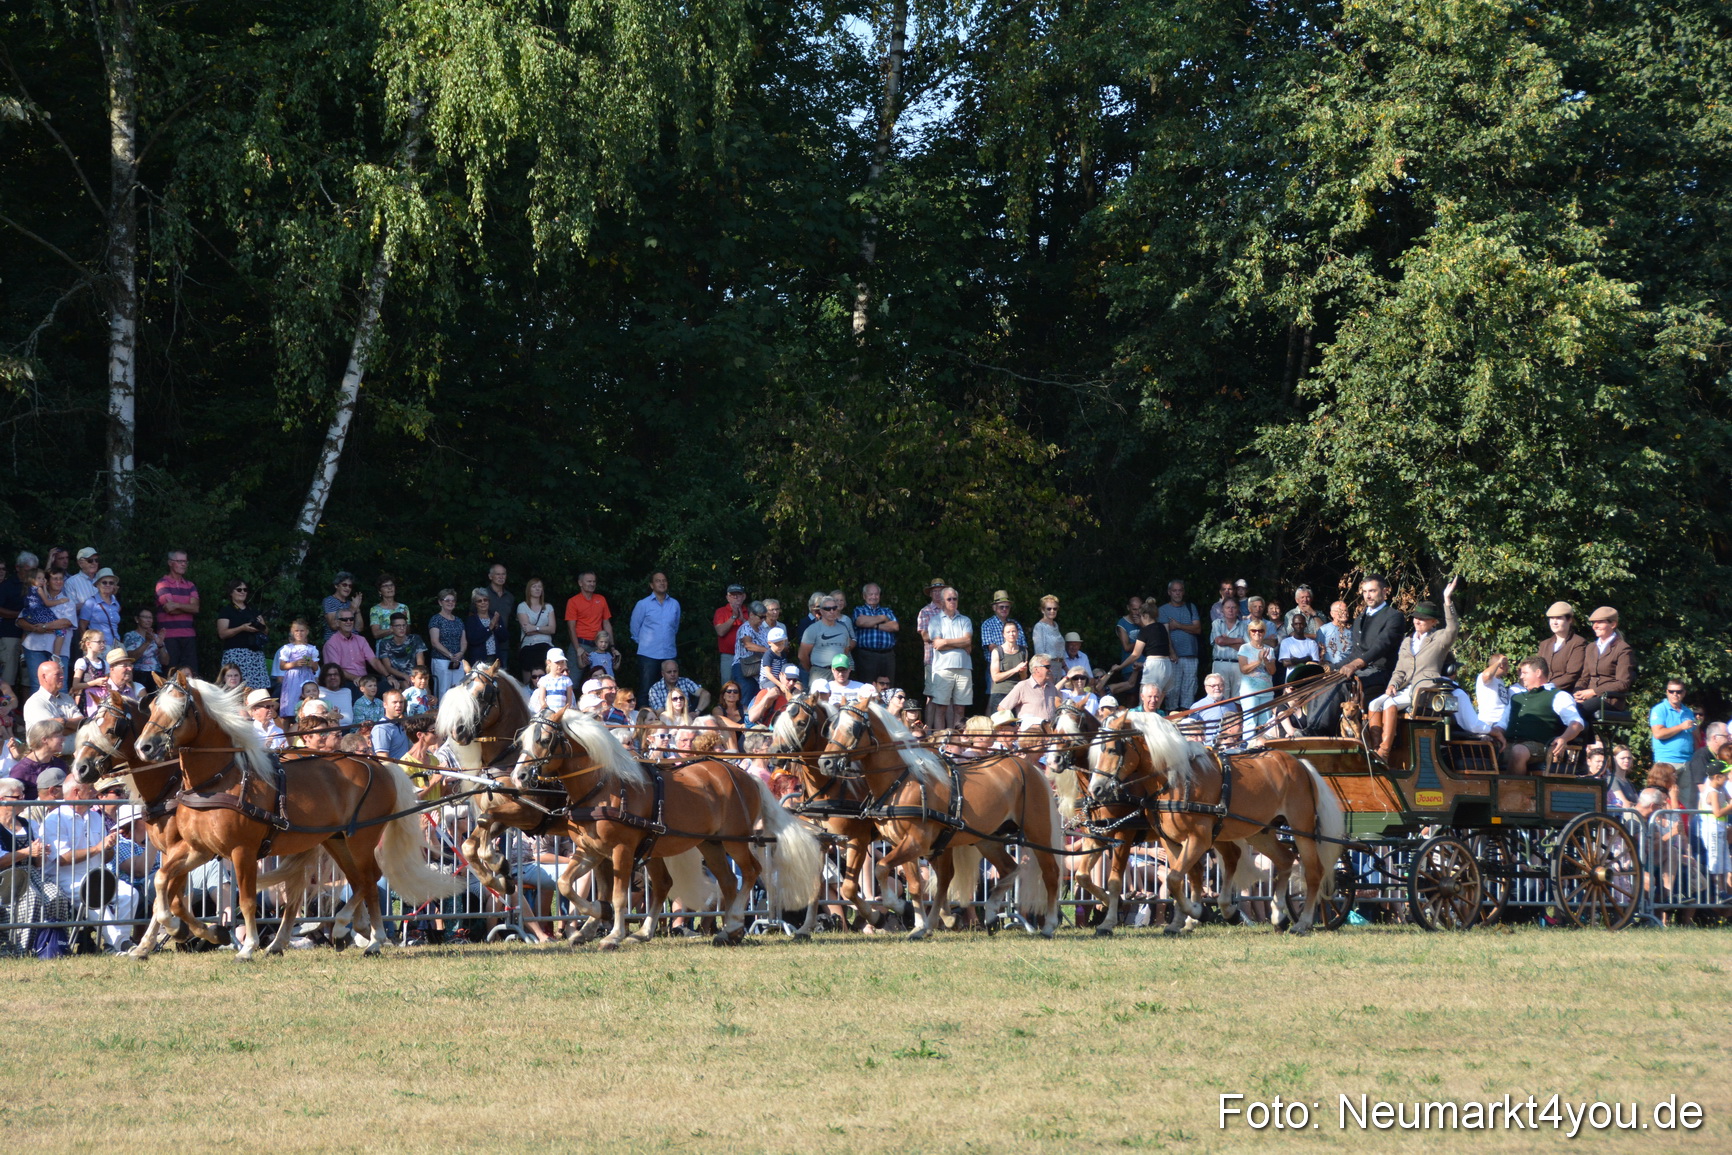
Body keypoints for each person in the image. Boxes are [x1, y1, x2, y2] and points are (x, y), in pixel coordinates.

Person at [41, 780, 140, 951]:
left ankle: (115, 944)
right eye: (91, 788)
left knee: (129, 894)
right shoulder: (54, 819)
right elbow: (62, 859)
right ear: (77, 792)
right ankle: (122, 946)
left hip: (96, 873)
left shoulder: (95, 816)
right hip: (66, 878)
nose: (95, 791)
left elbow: (105, 856)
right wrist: (97, 848)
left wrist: (109, 848)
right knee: (93, 898)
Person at [1369, 578, 1461, 760]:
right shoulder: (1407, 641)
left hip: (1425, 689)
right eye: (1416, 617)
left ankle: (1384, 752)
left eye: (1423, 619)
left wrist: (1447, 600)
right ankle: (1374, 748)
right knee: (1374, 704)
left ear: (1433, 622)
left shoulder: (1439, 639)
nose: (1418, 621)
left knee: (1389, 703)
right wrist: (1393, 684)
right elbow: (1400, 669)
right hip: (1404, 688)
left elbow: (1453, 628)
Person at [0, 775, 78, 955]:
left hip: (31, 874)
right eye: (18, 797)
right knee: (32, 899)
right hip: (7, 877)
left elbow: (37, 863)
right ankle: (21, 948)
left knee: (56, 896)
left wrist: (42, 852)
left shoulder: (29, 824)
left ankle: (53, 945)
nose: (23, 800)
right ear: (2, 800)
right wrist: (28, 851)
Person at [1493, 656, 1584, 775]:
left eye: (1525, 673)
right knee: (1483, 748)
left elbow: (1577, 722)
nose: (1521, 677)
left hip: (1541, 746)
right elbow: (1502, 724)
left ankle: (1516, 791)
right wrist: (1491, 733)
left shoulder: (1559, 696)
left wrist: (1564, 738)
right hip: (1510, 744)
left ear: (1538, 672)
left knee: (1518, 751)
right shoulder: (1516, 698)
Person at [1339, 574, 1403, 699]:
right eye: (1364, 592)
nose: (1367, 596)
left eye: (1372, 591)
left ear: (1384, 591)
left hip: (1381, 672)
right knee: (1325, 684)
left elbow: (1382, 645)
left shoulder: (1394, 616)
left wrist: (1356, 664)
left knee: (1343, 685)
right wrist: (1328, 667)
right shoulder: (1359, 620)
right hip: (1359, 671)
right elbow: (1355, 653)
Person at [1575, 606, 1634, 732]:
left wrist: (1594, 692)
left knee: (1578, 711)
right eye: (1593, 622)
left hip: (1609, 700)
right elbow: (1584, 677)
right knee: (1565, 708)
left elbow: (1623, 683)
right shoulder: (1591, 647)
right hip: (1590, 698)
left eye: (1600, 622)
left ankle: (1582, 746)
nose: (1595, 626)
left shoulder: (1622, 649)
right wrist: (1578, 691)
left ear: (1613, 624)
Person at [926, 587, 973, 731]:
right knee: (941, 708)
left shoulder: (965, 619)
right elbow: (937, 645)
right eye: (949, 599)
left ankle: (957, 742)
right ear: (942, 601)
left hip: (964, 668)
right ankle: (941, 741)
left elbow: (967, 641)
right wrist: (960, 644)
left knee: (960, 709)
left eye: (955, 598)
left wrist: (945, 642)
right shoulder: (935, 620)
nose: (953, 601)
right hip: (943, 669)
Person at [20, 567, 74, 692]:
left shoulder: (68, 602)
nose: (59, 581)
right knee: (37, 684)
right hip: (35, 647)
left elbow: (66, 622)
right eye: (55, 579)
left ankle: (61, 712)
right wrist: (34, 628)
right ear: (47, 581)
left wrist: (43, 627)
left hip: (60, 652)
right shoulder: (36, 597)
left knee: (61, 686)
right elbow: (20, 620)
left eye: (61, 579)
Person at [629, 572, 680, 695]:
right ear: (652, 585)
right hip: (648, 654)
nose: (662, 583)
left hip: (669, 653)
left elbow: (675, 627)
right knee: (646, 689)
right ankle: (645, 714)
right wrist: (644, 644)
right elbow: (634, 628)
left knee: (671, 690)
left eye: (664, 580)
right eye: (658, 581)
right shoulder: (643, 604)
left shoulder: (675, 604)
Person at [214, 577, 270, 689]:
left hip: (255, 655)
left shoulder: (253, 610)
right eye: (239, 590)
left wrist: (262, 626)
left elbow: (266, 632)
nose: (243, 592)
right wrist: (241, 628)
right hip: (236, 654)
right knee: (235, 688)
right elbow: (222, 633)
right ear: (231, 592)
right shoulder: (227, 611)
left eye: (245, 590)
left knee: (257, 689)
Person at [1156, 581, 1202, 708]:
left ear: (1183, 592)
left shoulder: (1190, 607)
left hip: (1191, 655)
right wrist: (1171, 652)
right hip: (1173, 657)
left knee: (1189, 689)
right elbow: (1164, 634)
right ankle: (1171, 719)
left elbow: (1197, 629)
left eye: (1180, 590)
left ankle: (1187, 719)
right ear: (1169, 592)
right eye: (1175, 591)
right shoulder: (1163, 610)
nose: (1177, 593)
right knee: (1172, 690)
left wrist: (1178, 626)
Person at [153, 549, 200, 675]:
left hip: (188, 635)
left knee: (191, 674)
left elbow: (196, 608)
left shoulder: (190, 585)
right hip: (169, 637)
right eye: (179, 561)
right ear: (170, 563)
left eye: (185, 561)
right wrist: (186, 606)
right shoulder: (162, 583)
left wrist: (177, 604)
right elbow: (169, 609)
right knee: (170, 673)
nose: (183, 564)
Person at [324, 604, 392, 688]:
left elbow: (374, 661)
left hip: (365, 681)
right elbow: (336, 669)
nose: (348, 622)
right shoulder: (331, 643)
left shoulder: (361, 640)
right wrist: (357, 679)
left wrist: (388, 676)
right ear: (337, 622)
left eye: (351, 619)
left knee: (389, 688)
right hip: (345, 682)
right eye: (344, 620)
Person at [23, 660, 81, 757]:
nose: (62, 677)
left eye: (62, 674)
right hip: (48, 760)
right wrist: (75, 728)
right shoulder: (35, 702)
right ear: (44, 677)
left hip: (73, 758)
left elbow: (82, 723)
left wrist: (64, 722)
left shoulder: (67, 698)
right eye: (57, 674)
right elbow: (50, 734)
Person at [270, 618, 322, 720]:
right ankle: (287, 728)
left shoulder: (311, 649)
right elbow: (282, 666)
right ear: (292, 632)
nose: (299, 633)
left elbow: (316, 667)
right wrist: (294, 663)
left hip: (307, 677)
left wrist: (311, 663)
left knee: (307, 701)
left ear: (307, 632)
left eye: (302, 630)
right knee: (291, 702)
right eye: (296, 631)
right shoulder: (287, 648)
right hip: (292, 679)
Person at [850, 583, 899, 686]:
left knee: (888, 687)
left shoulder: (887, 610)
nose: (874, 597)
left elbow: (895, 626)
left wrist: (874, 625)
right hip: (867, 656)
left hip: (887, 655)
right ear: (864, 596)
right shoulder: (859, 610)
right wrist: (882, 618)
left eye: (876, 594)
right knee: (866, 687)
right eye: (870, 594)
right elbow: (861, 622)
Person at [1649, 680, 1697, 783]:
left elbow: (1694, 735)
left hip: (1687, 761)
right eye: (1671, 691)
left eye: (1678, 691)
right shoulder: (1659, 709)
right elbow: (1658, 734)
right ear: (1667, 692)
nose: (1675, 694)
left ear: (1684, 693)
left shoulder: (1688, 711)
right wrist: (1681, 727)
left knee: (1686, 798)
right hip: (1667, 761)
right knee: (1665, 796)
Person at [563, 571, 612, 667]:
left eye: (594, 581)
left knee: (601, 678)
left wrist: (612, 646)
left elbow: (606, 623)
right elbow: (571, 627)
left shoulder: (601, 599)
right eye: (589, 581)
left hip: (599, 645)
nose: (592, 584)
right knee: (573, 679)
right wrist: (578, 649)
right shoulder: (573, 601)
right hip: (580, 644)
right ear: (580, 583)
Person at [1237, 622, 1278, 738]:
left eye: (1260, 630)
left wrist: (1266, 661)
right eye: (1254, 630)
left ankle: (1263, 749)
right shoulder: (1244, 648)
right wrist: (1258, 661)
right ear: (1249, 632)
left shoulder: (1269, 649)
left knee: (1265, 724)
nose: (1257, 633)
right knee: (1250, 722)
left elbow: (1272, 671)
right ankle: (1248, 749)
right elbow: (1243, 669)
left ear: (1264, 632)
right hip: (1250, 692)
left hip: (1266, 691)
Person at [1537, 602, 1586, 694]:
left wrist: (1548, 687)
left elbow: (1572, 675)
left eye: (1559, 618)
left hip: (1564, 693)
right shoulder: (1544, 644)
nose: (1554, 622)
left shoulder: (1578, 642)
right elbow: (1537, 669)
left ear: (1569, 620)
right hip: (1542, 692)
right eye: (1552, 618)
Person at [997, 653, 1059, 725]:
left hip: (1050, 733)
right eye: (1048, 667)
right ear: (1036, 669)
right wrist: (1013, 727)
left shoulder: (1051, 687)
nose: (1050, 670)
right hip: (1030, 734)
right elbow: (1002, 708)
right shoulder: (1023, 686)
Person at [798, 595, 853, 672]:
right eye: (828, 609)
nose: (832, 611)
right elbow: (802, 655)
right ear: (821, 611)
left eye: (834, 608)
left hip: (840, 672)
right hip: (819, 671)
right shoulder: (812, 629)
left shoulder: (843, 629)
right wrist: (811, 670)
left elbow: (845, 651)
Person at [374, 613, 427, 691]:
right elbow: (387, 667)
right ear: (391, 628)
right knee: (405, 685)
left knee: (425, 688)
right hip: (394, 678)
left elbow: (420, 663)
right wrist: (404, 676)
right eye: (398, 626)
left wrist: (417, 677)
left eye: (404, 625)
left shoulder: (415, 639)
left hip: (415, 676)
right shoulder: (385, 643)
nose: (402, 628)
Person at [427, 590, 467, 696]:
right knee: (443, 691)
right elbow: (435, 642)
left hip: (458, 661)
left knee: (459, 690)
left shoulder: (459, 620)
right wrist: (450, 655)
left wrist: (461, 653)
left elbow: (463, 641)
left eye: (453, 600)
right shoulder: (436, 619)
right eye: (447, 600)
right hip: (441, 660)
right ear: (440, 602)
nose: (451, 602)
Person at [516, 577, 556, 680]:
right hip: (529, 645)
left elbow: (552, 629)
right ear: (529, 589)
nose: (537, 589)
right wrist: (544, 629)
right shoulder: (522, 606)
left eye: (540, 586)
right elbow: (527, 631)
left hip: (546, 645)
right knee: (529, 662)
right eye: (534, 586)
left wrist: (535, 627)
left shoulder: (548, 607)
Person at [1208, 596, 1248, 697]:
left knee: (1238, 697)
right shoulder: (1217, 623)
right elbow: (1219, 641)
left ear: (1238, 609)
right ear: (1223, 609)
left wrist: (1226, 640)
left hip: (1238, 664)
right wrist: (1238, 640)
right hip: (1220, 663)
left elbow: (1245, 647)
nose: (1230, 610)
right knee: (1220, 696)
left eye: (1233, 607)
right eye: (1227, 607)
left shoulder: (1244, 626)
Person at [1187, 673, 1241, 747]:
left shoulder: (1231, 705)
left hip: (1230, 745)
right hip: (1209, 747)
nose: (1217, 688)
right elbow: (1191, 730)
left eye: (1220, 685)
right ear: (1206, 688)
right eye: (1213, 686)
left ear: (1224, 686)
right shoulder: (1198, 706)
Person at [730, 600, 769, 704]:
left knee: (757, 700)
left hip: (758, 670)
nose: (763, 620)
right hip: (744, 668)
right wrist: (767, 651)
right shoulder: (745, 628)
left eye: (764, 617)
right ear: (751, 615)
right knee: (745, 700)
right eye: (761, 617)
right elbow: (748, 645)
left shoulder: (762, 629)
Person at [0, 553, 30, 688]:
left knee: (28, 678)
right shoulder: (7, 585)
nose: (30, 573)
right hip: (10, 634)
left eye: (32, 570)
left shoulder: (36, 586)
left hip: (31, 636)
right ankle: (6, 708)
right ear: (18, 567)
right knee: (8, 676)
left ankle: (26, 709)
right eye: (27, 570)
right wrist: (21, 615)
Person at [986, 620, 1029, 713]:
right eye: (1008, 632)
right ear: (1003, 634)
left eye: (1013, 631)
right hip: (1000, 693)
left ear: (1017, 633)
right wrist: (1015, 669)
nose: (1011, 634)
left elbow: (1024, 678)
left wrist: (1022, 671)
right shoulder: (997, 651)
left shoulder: (1023, 651)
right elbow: (996, 677)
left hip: (1018, 693)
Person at [711, 584, 748, 690]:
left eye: (738, 594)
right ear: (727, 597)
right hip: (728, 656)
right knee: (727, 685)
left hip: (746, 656)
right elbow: (720, 632)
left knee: (744, 686)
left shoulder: (749, 611)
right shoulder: (721, 612)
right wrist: (733, 617)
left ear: (744, 596)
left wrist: (742, 619)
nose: (736, 597)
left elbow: (755, 632)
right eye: (732, 595)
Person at [77, 567, 123, 652]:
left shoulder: (115, 603)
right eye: (104, 582)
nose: (108, 585)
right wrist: (87, 649)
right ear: (97, 584)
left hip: (116, 646)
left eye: (111, 583)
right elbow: (82, 626)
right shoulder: (91, 602)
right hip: (98, 647)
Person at [915, 578, 948, 692]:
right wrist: (947, 634)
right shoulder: (925, 611)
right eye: (935, 591)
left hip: (951, 659)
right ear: (930, 594)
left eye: (941, 591)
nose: (938, 594)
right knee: (932, 695)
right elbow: (925, 636)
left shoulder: (953, 611)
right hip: (933, 659)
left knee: (950, 696)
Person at [122, 607, 166, 682]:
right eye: (145, 617)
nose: (149, 620)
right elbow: (130, 658)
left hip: (157, 674)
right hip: (139, 673)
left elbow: (165, 662)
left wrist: (160, 645)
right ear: (137, 619)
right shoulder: (130, 636)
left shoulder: (156, 637)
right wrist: (147, 642)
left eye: (150, 618)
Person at [461, 589, 499, 669]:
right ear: (475, 604)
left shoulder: (495, 616)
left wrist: (497, 627)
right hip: (479, 659)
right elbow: (473, 639)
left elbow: (504, 637)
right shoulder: (471, 620)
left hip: (495, 657)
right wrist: (490, 628)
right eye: (479, 601)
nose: (483, 603)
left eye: (485, 600)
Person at [1278, 613, 1321, 681]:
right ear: (1292, 625)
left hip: (1308, 679)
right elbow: (1285, 663)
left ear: (1305, 625)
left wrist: (1294, 660)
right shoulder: (1286, 642)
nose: (1299, 626)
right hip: (1291, 680)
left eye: (1301, 624)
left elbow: (1314, 663)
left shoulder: (1312, 643)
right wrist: (1306, 659)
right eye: (1296, 624)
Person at [69, 630, 108, 705]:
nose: (102, 644)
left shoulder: (104, 663)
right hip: (87, 699)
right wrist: (95, 682)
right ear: (88, 644)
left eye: (104, 642)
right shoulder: (82, 662)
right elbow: (75, 685)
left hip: (102, 698)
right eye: (99, 642)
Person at [370, 690, 411, 761]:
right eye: (395, 702)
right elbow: (383, 759)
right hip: (393, 770)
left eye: (401, 702)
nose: (399, 705)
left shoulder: (401, 724)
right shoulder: (381, 728)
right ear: (385, 704)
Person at [321, 572, 362, 641]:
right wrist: (352, 609)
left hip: (353, 642)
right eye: (344, 585)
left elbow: (359, 628)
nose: (347, 588)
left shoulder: (351, 603)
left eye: (350, 586)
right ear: (336, 586)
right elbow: (334, 625)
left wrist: (357, 609)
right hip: (336, 642)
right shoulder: (329, 601)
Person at [368, 574, 409, 641]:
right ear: (379, 591)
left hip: (402, 646)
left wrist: (405, 622)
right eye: (385, 586)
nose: (390, 588)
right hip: (384, 648)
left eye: (391, 585)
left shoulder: (403, 607)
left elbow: (408, 632)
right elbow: (376, 634)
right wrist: (393, 629)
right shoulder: (375, 610)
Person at [1316, 600, 1353, 670]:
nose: (1344, 613)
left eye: (1346, 610)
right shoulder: (1324, 630)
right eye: (1340, 611)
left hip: (1349, 669)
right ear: (1332, 614)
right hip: (1330, 670)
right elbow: (1318, 651)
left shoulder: (1352, 630)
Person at [1031, 595, 1065, 661]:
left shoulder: (1055, 625)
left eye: (1055, 609)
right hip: (1048, 666)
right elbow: (1039, 653)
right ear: (1043, 610)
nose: (1052, 611)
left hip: (1059, 665)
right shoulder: (1039, 627)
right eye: (1049, 609)